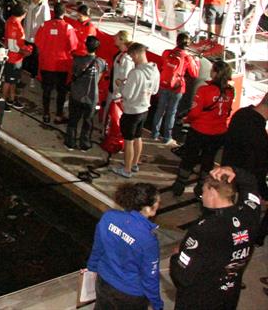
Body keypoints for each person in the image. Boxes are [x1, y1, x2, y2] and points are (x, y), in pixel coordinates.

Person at [170, 166, 262, 310]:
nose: (202, 197)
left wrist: (176, 256)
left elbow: (182, 276)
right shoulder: (251, 213)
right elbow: (250, 183)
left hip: (199, 299)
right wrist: (234, 170)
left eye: (203, 192)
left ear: (212, 192)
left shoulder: (204, 230)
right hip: (228, 295)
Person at [86, 182, 163, 310]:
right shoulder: (148, 240)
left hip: (104, 282)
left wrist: (91, 268)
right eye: (157, 202)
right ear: (148, 208)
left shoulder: (109, 217)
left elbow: (97, 248)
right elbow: (150, 277)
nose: (159, 205)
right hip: (131, 295)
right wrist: (157, 304)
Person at [171, 60, 234, 197]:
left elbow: (194, 113)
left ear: (215, 73)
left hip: (200, 130)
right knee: (208, 160)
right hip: (219, 132)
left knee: (189, 157)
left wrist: (185, 119)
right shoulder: (230, 92)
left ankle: (180, 184)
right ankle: (201, 186)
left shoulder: (205, 90)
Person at [221, 92, 268, 246]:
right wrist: (263, 192)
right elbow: (257, 169)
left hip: (227, 176)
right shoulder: (259, 135)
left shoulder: (241, 114)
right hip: (243, 185)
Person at [112, 43, 159, 178]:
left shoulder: (135, 73)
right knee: (138, 137)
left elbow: (127, 94)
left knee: (128, 140)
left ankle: (126, 170)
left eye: (132, 57)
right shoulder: (155, 70)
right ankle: (134, 163)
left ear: (136, 54)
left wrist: (121, 85)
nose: (131, 60)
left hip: (132, 110)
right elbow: (155, 90)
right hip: (144, 109)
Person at [150, 32, 199, 145]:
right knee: (171, 112)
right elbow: (194, 73)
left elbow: (164, 63)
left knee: (159, 110)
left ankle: (154, 133)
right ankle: (167, 137)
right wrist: (196, 61)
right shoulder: (187, 58)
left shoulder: (167, 52)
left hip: (164, 84)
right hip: (177, 87)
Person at [35, 2, 78, 124]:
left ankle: (46, 114)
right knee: (61, 92)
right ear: (64, 13)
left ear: (54, 11)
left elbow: (38, 43)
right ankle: (59, 115)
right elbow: (73, 46)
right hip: (62, 66)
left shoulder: (45, 25)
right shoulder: (68, 28)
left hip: (46, 64)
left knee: (46, 91)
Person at [66, 36, 107, 150]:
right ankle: (85, 143)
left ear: (85, 46)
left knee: (73, 119)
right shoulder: (102, 62)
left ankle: (70, 142)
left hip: (77, 94)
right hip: (92, 96)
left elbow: (73, 73)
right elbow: (102, 75)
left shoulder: (77, 60)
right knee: (88, 121)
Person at [101, 30, 134, 132]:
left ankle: (108, 133)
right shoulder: (122, 54)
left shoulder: (126, 58)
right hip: (114, 89)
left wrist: (119, 92)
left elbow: (125, 77)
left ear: (122, 40)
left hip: (117, 92)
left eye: (116, 37)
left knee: (112, 114)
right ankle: (105, 131)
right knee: (108, 111)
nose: (114, 38)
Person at [2, 3, 31, 111]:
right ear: (24, 14)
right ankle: (3, 101)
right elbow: (12, 45)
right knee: (8, 80)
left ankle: (11, 99)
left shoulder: (11, 21)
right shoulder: (15, 25)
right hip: (13, 58)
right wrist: (25, 51)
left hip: (15, 57)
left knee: (13, 80)